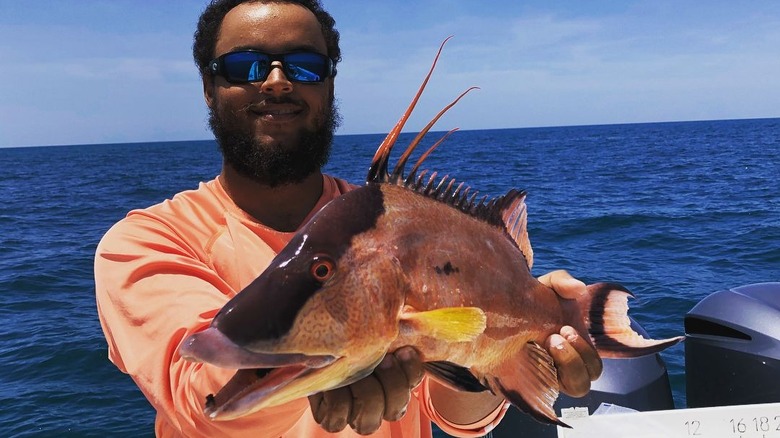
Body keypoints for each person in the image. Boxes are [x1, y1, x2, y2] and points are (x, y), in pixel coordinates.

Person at [94, 1, 603, 437]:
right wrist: (334, 366)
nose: (276, 81)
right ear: (210, 87)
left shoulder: (397, 233)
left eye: (304, 65)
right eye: (246, 66)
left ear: (330, 86)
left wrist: (518, 354)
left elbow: (453, 417)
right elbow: (196, 397)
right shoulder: (143, 243)